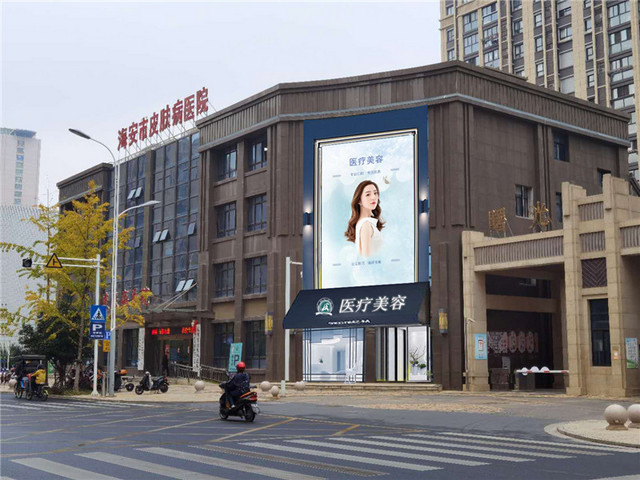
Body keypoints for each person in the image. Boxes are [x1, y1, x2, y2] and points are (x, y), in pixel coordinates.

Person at [344, 180, 385, 257]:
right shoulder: (366, 225)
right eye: (368, 194)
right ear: (359, 200)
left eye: (375, 193)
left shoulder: (365, 223)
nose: (373, 197)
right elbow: (366, 258)